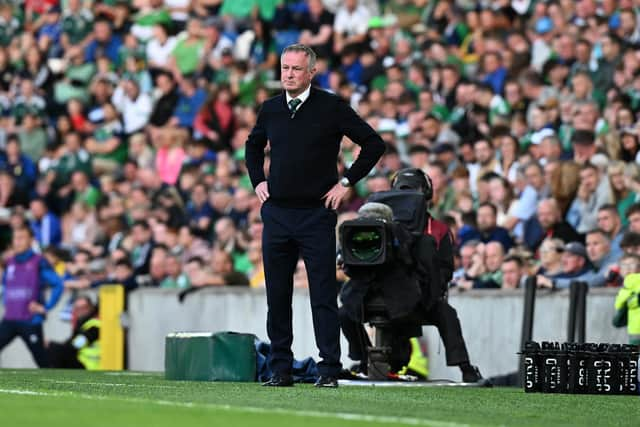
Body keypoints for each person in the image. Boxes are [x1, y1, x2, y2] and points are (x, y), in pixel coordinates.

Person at [245, 44, 385, 388]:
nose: (288, 74)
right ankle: (280, 368)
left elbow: (373, 144)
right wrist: (258, 182)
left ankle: (328, 369)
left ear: (311, 72)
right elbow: (252, 145)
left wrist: (346, 182)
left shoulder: (330, 106)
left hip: (316, 213)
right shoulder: (272, 108)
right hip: (277, 213)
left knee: (323, 294)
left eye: (295, 69)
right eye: (284, 68)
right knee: (277, 295)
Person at [389, 167, 485, 383]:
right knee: (349, 310)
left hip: (425, 296)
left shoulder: (439, 229)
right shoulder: (384, 227)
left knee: (447, 314)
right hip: (391, 293)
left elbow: (446, 269)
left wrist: (428, 285)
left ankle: (465, 368)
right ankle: (363, 359)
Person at [0, 226, 64, 367]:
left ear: (31, 240)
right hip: (10, 319)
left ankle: (54, 385)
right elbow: (5, 285)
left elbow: (58, 284)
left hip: (30, 321)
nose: (17, 242)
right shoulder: (10, 262)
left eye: (21, 238)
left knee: (42, 360)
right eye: (15, 238)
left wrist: (46, 307)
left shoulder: (38, 261)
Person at [47, 295, 100, 369]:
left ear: (91, 308)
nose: (80, 311)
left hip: (90, 366)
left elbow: (76, 345)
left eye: (83, 307)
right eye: (77, 308)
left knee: (55, 349)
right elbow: (70, 343)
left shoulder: (94, 325)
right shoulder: (81, 324)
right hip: (82, 363)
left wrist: (53, 345)